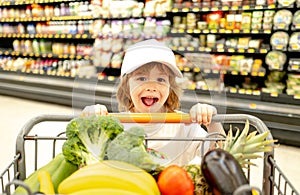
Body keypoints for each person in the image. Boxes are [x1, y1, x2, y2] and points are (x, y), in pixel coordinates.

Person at [82, 39, 224, 165]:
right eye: (141, 78)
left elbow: (221, 157)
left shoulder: (185, 126)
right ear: (126, 87)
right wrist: (91, 121)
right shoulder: (115, 126)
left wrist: (212, 122)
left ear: (170, 88)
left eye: (161, 80)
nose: (151, 87)